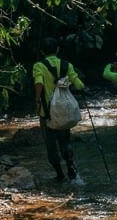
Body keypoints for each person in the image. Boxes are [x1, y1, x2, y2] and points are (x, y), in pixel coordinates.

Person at [32, 37, 86, 184]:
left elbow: (38, 83)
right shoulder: (66, 65)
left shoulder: (39, 66)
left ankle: (60, 175)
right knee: (65, 140)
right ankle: (70, 168)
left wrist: (37, 101)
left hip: (47, 112)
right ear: (57, 49)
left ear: (42, 51)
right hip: (64, 111)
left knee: (50, 144)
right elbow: (78, 84)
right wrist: (81, 87)